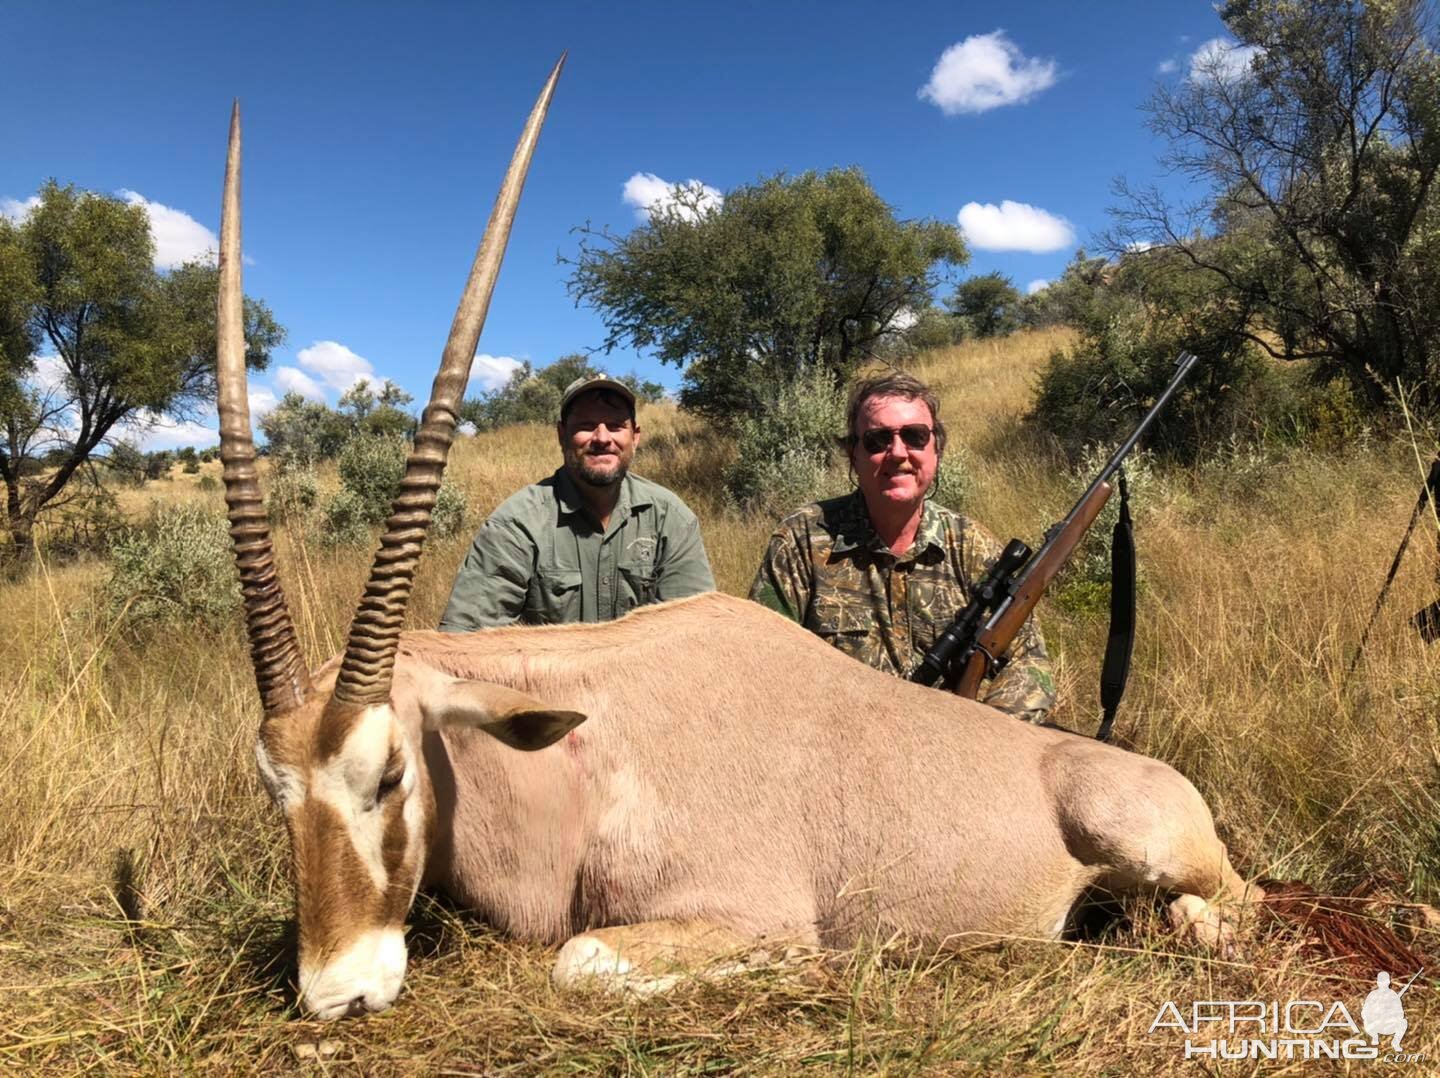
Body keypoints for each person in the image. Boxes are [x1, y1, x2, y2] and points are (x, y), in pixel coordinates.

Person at [749, 371, 1056, 722]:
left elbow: (1029, 663)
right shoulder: (802, 540)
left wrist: (982, 740)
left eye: (914, 436)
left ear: (935, 448)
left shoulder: (973, 547)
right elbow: (762, 662)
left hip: (953, 750)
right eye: (877, 440)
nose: (897, 453)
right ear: (854, 455)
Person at [440, 374, 715, 630]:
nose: (602, 438)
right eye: (585, 426)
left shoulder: (671, 518)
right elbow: (466, 641)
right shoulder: (516, 524)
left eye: (616, 426)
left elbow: (693, 636)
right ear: (562, 435)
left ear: (635, 436)